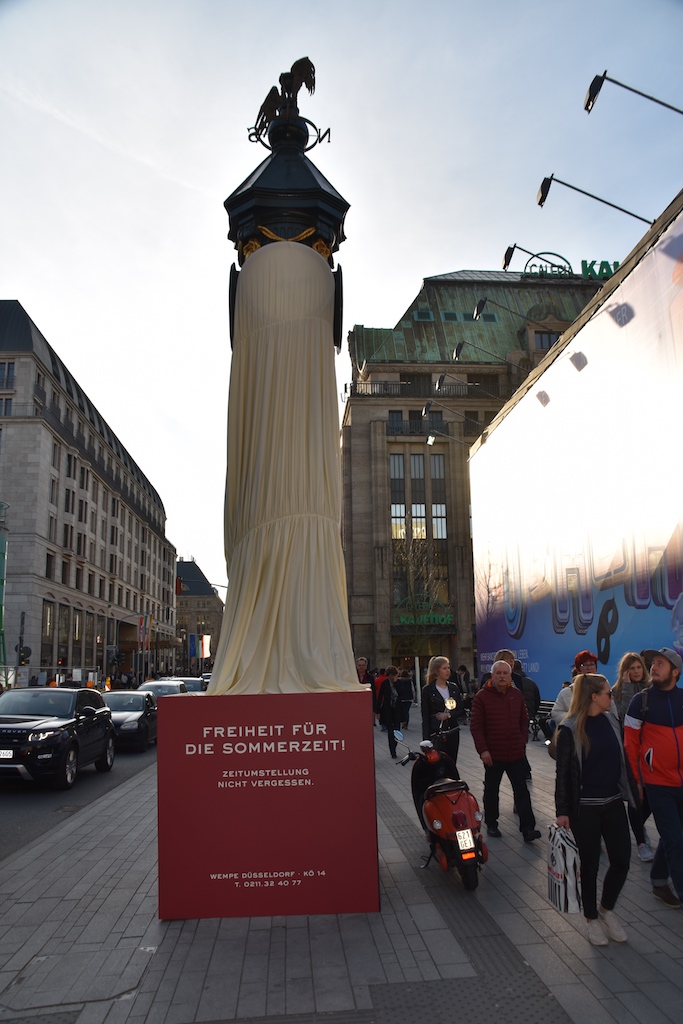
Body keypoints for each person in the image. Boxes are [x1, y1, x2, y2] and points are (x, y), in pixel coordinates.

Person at [555, 673, 632, 945]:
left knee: (622, 859)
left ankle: (606, 910)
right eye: (608, 693)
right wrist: (562, 810)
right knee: (589, 865)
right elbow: (563, 773)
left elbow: (622, 763)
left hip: (612, 802)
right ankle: (590, 919)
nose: (612, 696)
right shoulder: (570, 728)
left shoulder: (611, 720)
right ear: (593, 697)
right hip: (584, 808)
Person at [624, 647, 683, 909]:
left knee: (675, 837)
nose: (654, 667)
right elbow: (630, 746)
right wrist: (637, 781)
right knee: (675, 840)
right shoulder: (641, 702)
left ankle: (659, 882)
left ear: (675, 672)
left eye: (660, 663)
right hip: (657, 784)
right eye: (654, 663)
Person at [470, 660, 541, 842]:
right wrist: (483, 750)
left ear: (510, 676)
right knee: (492, 790)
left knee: (522, 791)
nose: (502, 676)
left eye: (505, 673)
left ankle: (528, 829)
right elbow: (476, 727)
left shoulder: (516, 694)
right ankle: (492, 824)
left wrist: (522, 739)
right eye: (498, 673)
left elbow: (524, 720)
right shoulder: (482, 697)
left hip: (516, 753)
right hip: (493, 755)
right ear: (492, 676)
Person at [612, 652, 654, 862]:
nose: (636, 671)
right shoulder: (617, 690)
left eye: (639, 668)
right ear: (625, 671)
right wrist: (627, 689)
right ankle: (641, 841)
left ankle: (638, 826)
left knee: (650, 797)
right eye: (632, 668)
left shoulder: (652, 688)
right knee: (635, 797)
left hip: (651, 752)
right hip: (628, 750)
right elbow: (620, 716)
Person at [421, 656, 466, 773]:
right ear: (437, 671)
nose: (448, 671)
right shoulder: (428, 690)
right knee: (437, 765)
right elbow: (425, 716)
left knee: (451, 763)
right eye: (444, 668)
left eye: (448, 668)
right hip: (436, 733)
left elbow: (461, 710)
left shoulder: (453, 688)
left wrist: (449, 715)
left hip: (452, 732)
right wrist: (426, 740)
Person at [551, 650, 598, 725]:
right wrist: (574, 717)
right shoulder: (566, 692)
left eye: (592, 664)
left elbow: (612, 713)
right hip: (575, 732)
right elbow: (556, 713)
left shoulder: (603, 688)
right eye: (585, 665)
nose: (589, 668)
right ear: (578, 669)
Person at [375, 666, 403, 758]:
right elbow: (380, 697)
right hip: (388, 710)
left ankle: (395, 745)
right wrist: (378, 711)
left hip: (397, 710)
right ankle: (393, 751)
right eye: (392, 675)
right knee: (390, 732)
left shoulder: (398, 683)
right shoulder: (385, 683)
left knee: (397, 730)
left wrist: (396, 683)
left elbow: (402, 693)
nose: (393, 677)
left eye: (394, 675)